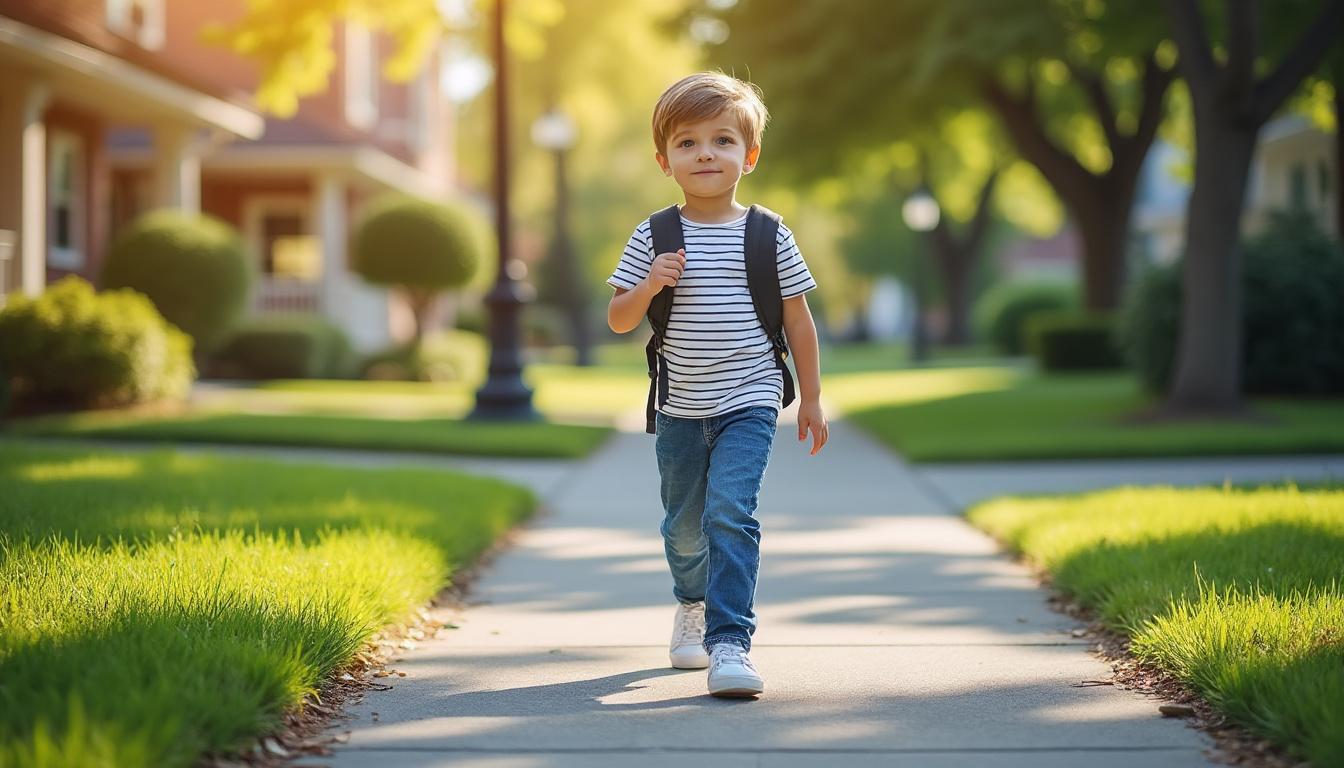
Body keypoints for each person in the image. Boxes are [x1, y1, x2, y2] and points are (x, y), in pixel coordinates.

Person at [605, 72, 828, 698]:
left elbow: (798, 321)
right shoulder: (654, 235)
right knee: (683, 526)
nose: (706, 153)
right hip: (679, 406)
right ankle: (692, 602)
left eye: (723, 140)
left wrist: (809, 397)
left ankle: (730, 642)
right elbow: (620, 318)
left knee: (732, 512)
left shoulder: (767, 232)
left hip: (750, 400)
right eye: (688, 142)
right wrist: (649, 284)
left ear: (748, 156)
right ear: (664, 160)